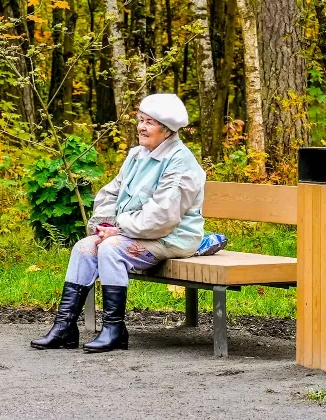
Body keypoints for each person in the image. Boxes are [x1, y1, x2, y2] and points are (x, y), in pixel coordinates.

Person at [31, 93, 206, 353]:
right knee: (83, 248)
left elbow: (163, 216)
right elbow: (111, 193)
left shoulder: (181, 163)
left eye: (150, 122)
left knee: (112, 248)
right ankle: (65, 327)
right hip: (130, 232)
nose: (142, 127)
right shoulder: (137, 155)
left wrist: (119, 229)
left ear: (167, 131)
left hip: (170, 238)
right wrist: (104, 225)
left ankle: (114, 329)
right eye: (140, 120)